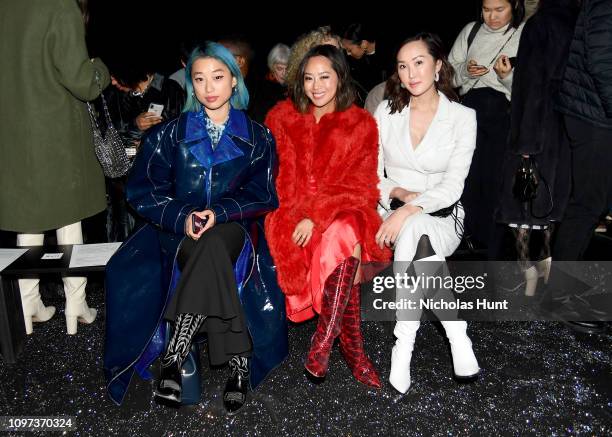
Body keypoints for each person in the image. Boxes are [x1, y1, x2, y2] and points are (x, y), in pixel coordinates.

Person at [103, 42, 288, 414]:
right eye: (199, 79)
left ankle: (175, 353)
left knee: (219, 241)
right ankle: (238, 364)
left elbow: (263, 194)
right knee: (210, 250)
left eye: (218, 77)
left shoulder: (258, 137)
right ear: (191, 84)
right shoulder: (168, 135)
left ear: (234, 81)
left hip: (235, 230)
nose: (209, 87)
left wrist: (218, 213)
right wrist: (183, 216)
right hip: (175, 233)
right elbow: (143, 192)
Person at [265, 45, 389, 387]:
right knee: (344, 245)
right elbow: (277, 178)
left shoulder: (360, 123)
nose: (316, 86)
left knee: (343, 231)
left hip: (344, 208)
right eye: (308, 78)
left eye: (324, 76)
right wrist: (298, 215)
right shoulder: (282, 118)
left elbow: (362, 186)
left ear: (340, 77)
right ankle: (354, 351)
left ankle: (323, 340)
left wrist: (317, 217)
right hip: (291, 212)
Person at [375, 33, 479, 394]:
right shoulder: (387, 112)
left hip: (442, 215)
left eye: (419, 62)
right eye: (403, 66)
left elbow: (454, 186)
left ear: (438, 66)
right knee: (413, 233)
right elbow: (371, 176)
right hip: (389, 213)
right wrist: (399, 196)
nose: (410, 73)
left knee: (415, 227)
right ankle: (456, 334)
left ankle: (403, 343)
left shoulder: (463, 117)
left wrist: (411, 209)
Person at [0, 0, 109, 335]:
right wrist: (99, 69)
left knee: (28, 215)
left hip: (14, 132)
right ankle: (75, 304)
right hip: (56, 134)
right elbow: (82, 81)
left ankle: (27, 301)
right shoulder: (60, 6)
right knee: (68, 215)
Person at [496, 0, 579, 296]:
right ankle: (546, 267)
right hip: (567, 129)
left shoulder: (540, 24)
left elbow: (530, 85)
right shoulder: (580, 22)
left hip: (537, 126)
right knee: (550, 206)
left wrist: (525, 142)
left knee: (520, 204)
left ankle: (529, 274)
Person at [551, 0, 612, 334]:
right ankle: (559, 299)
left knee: (591, 204)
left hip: (592, 113)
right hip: (594, 117)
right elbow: (604, 61)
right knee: (586, 205)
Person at [449, 0, 525, 258]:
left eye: (499, 10)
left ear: (514, 6)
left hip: (501, 116)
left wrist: (506, 76)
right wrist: (466, 71)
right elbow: (448, 75)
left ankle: (490, 251)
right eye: (486, 9)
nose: (491, 16)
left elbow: (530, 89)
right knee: (464, 180)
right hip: (468, 112)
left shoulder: (523, 33)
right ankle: (462, 243)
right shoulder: (471, 30)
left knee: (494, 183)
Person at [100, 59, 186, 242]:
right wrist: (134, 127)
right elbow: (106, 138)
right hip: (122, 187)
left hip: (159, 186)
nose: (113, 82)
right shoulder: (114, 96)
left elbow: (180, 138)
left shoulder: (169, 90)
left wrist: (148, 140)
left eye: (116, 77)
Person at [341, 23, 389, 105]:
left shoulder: (389, 55)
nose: (348, 54)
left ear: (364, 44)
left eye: (349, 50)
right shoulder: (354, 62)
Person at [285, 26, 342, 95]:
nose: (333, 56)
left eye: (336, 51)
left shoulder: (349, 89)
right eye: (324, 51)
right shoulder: (299, 95)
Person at [249, 43, 290, 123]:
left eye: (287, 68)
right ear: (272, 67)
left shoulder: (295, 86)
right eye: (279, 68)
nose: (284, 73)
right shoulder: (261, 89)